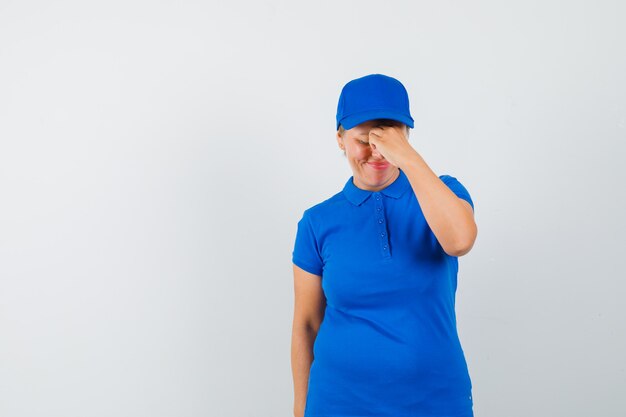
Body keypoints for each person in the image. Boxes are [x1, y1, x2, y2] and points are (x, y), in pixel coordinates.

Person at [290, 73, 478, 417]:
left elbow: (460, 240)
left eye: (389, 138)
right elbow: (306, 323)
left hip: (435, 400)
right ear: (340, 139)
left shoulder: (442, 192)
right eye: (364, 139)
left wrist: (407, 158)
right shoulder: (317, 222)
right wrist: (300, 409)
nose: (376, 152)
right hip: (337, 403)